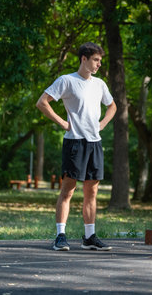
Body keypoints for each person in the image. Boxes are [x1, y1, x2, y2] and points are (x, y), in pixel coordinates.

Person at [36, 42, 117, 251]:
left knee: (92, 192)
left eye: (100, 60)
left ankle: (89, 237)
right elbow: (42, 102)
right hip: (74, 142)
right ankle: (60, 236)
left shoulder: (99, 84)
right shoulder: (67, 81)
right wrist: (63, 123)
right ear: (84, 59)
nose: (99, 64)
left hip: (95, 142)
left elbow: (112, 106)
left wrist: (102, 124)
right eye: (96, 60)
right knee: (68, 190)